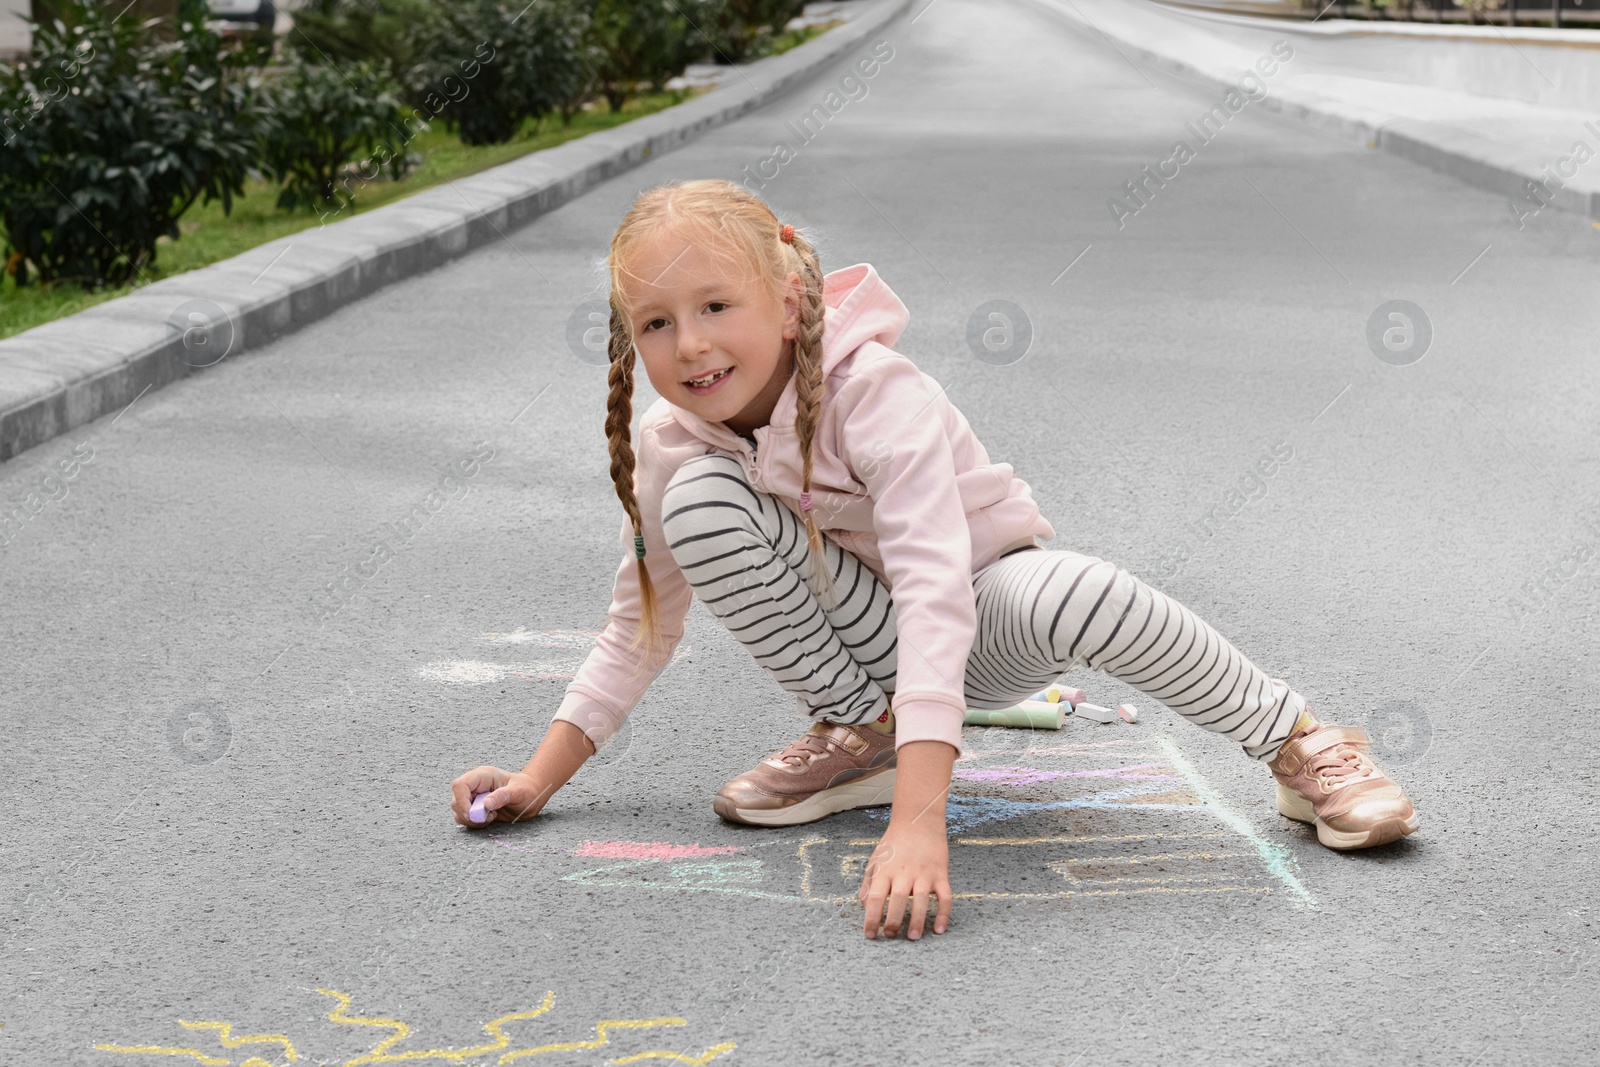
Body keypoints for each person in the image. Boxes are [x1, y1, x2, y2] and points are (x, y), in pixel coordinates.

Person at [450, 178, 1419, 941]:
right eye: (656, 323)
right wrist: (541, 776)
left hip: (981, 619)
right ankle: (859, 729)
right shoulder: (677, 443)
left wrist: (921, 818)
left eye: (714, 305)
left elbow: (930, 589)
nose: (690, 344)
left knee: (1073, 586)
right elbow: (639, 625)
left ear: (788, 302)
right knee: (697, 500)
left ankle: (1296, 744)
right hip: (866, 652)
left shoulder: (876, 393)